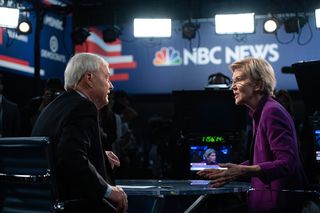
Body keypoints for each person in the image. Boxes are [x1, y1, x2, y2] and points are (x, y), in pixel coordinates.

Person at [198, 57, 307, 212]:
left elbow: (287, 163)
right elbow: (264, 158)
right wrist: (230, 172)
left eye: (238, 80)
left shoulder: (271, 112)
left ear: (258, 84)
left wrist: (242, 170)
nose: (232, 87)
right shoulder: (260, 112)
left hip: (276, 207)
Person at [31, 53, 128, 213]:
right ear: (89, 78)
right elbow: (70, 158)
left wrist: (100, 156)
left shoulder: (54, 107)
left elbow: (59, 152)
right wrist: (109, 191)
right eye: (106, 77)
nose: (110, 86)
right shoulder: (83, 107)